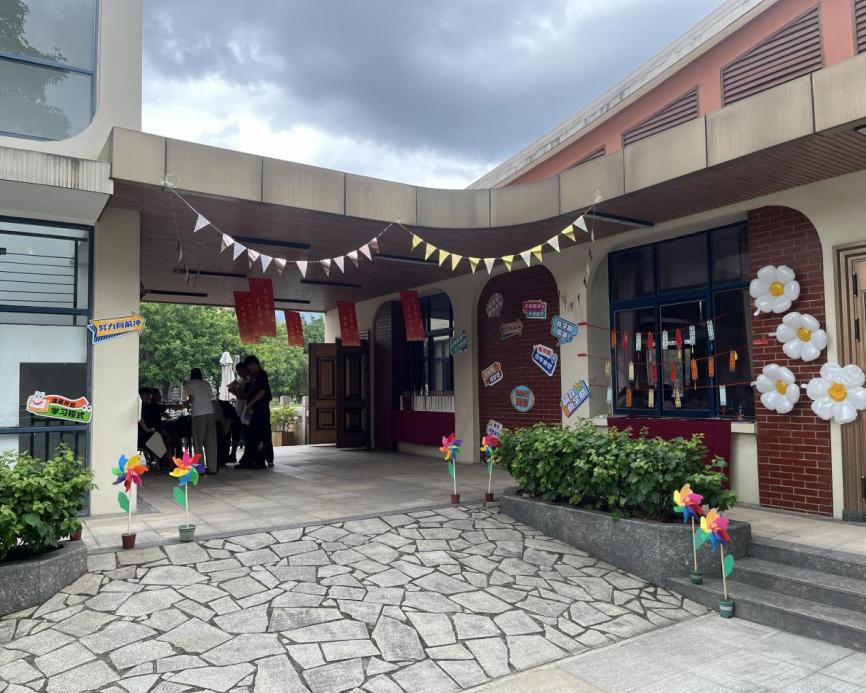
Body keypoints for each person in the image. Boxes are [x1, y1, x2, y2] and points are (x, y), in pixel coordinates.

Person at [236, 355, 273, 469]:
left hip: (261, 410)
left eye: (249, 367)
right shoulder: (255, 377)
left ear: (254, 364)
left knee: (261, 436)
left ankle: (260, 460)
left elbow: (262, 391)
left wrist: (251, 403)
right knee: (252, 435)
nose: (249, 370)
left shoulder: (262, 375)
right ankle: (251, 459)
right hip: (253, 410)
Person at [184, 368, 218, 474]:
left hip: (198, 414)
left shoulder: (190, 383)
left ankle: (200, 469)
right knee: (211, 442)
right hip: (210, 413)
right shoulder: (207, 384)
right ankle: (212, 468)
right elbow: (209, 396)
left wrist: (185, 404)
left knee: (198, 443)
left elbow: (191, 399)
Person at [227, 362, 250, 463]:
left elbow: (246, 396)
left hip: (246, 409)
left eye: (240, 370)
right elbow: (239, 396)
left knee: (246, 433)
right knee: (236, 432)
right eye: (237, 371)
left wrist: (237, 391)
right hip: (238, 409)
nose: (239, 373)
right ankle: (233, 454)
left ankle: (247, 454)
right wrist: (233, 390)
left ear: (245, 369)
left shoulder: (249, 381)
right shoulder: (239, 380)